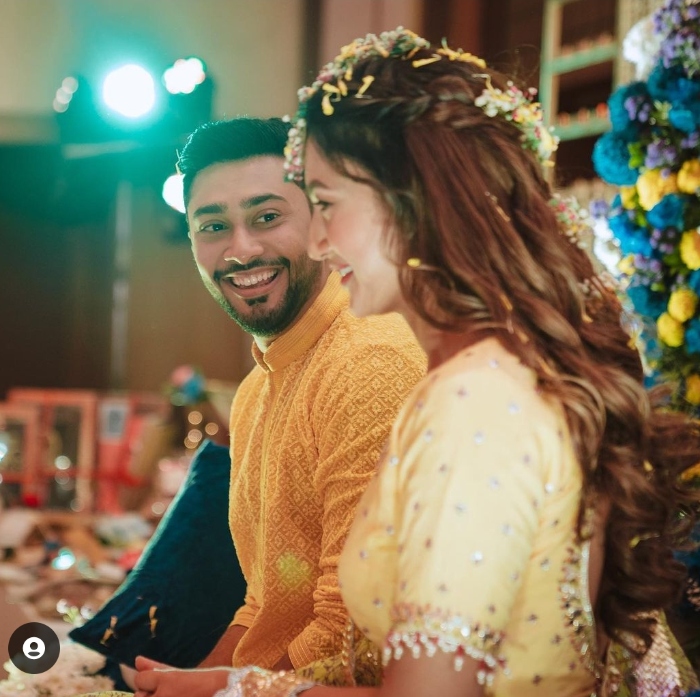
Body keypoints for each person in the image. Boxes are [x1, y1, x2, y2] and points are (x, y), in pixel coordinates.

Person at [133, 29, 700, 697]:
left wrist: (237, 690)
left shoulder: (470, 399)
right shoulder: (486, 376)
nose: (317, 240)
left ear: (415, 204)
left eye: (325, 205)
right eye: (211, 226)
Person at [126, 116, 426, 695]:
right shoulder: (254, 391)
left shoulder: (370, 359)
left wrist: (218, 690)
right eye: (213, 226)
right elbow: (264, 606)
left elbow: (348, 633)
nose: (241, 249)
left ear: (321, 224)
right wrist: (185, 682)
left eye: (267, 217)